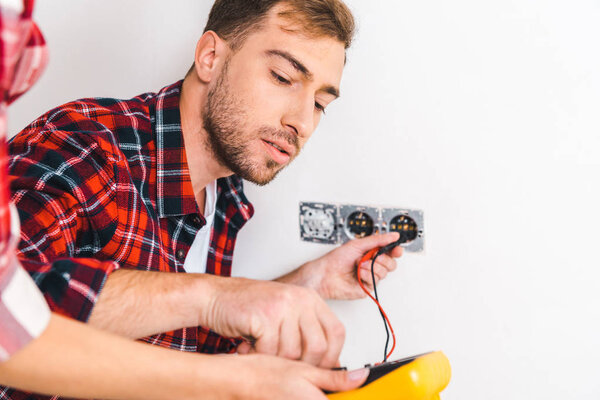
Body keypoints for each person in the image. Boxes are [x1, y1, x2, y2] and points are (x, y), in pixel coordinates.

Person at [3, 0, 403, 398]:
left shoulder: (227, 194)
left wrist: (305, 286)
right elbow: (13, 311)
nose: (301, 121)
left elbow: (183, 349)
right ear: (210, 57)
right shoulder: (85, 148)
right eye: (283, 77)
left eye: (319, 104)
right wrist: (213, 296)